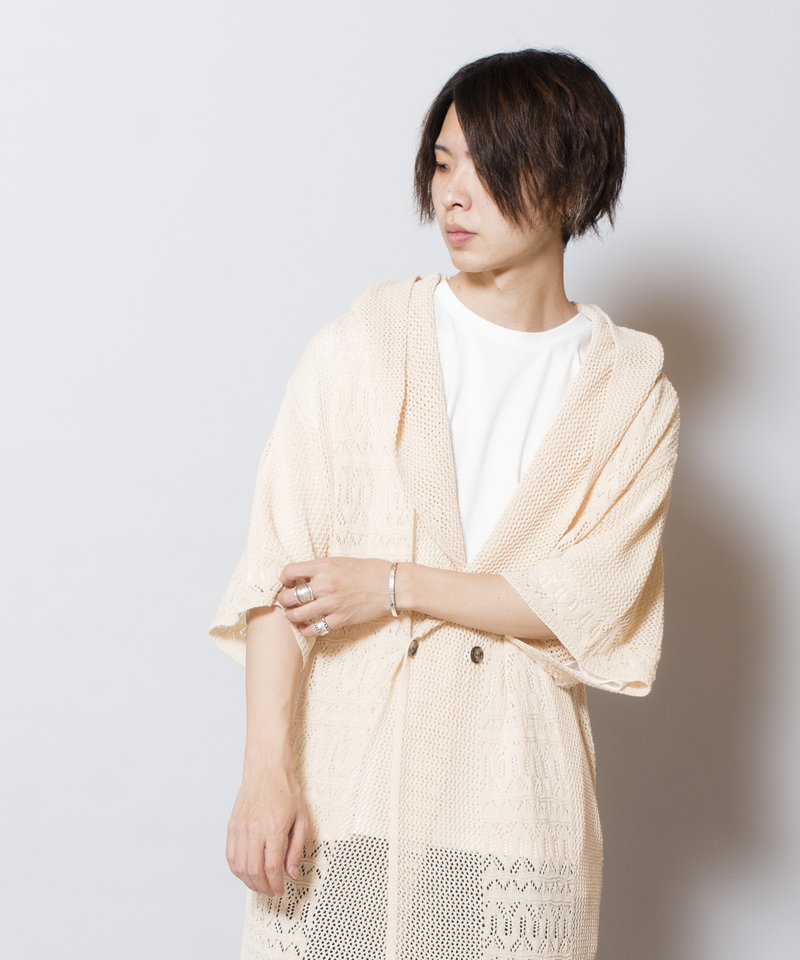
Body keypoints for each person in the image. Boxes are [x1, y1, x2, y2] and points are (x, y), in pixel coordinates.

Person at [208, 47, 680, 960]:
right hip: (349, 784)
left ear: (572, 184)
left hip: (515, 802)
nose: (454, 196)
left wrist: (392, 584)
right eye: (442, 163)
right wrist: (266, 772)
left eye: (489, 167)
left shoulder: (631, 393)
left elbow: (585, 599)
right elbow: (279, 571)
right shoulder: (363, 347)